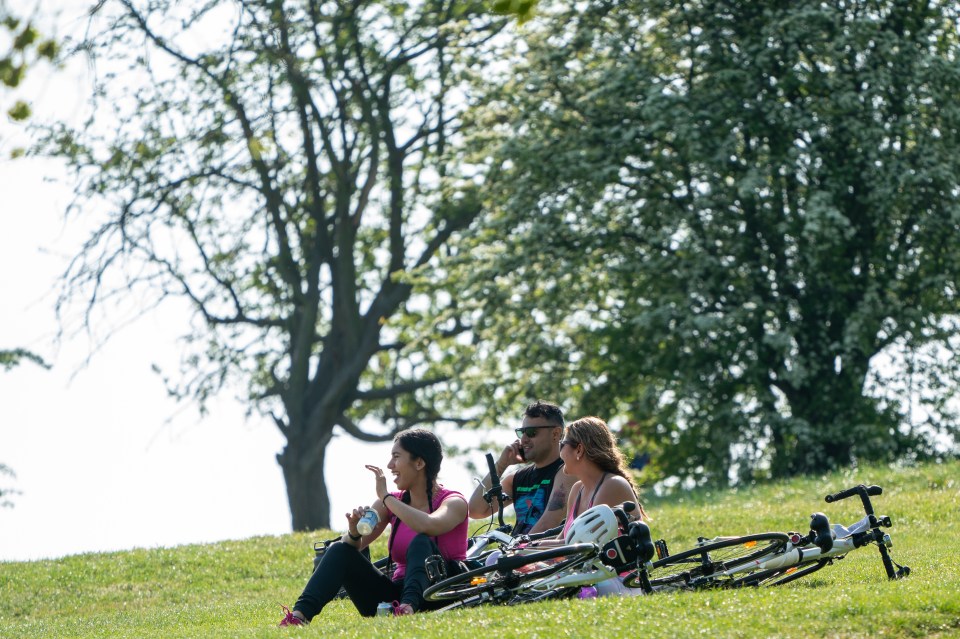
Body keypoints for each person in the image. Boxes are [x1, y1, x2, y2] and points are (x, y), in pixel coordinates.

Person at [278, 428, 469, 626]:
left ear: (419, 463)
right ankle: (298, 617)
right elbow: (352, 548)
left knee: (421, 540)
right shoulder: (392, 503)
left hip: (440, 592)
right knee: (339, 549)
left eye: (396, 457)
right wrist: (353, 532)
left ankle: (407, 609)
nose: (390, 465)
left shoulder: (454, 502)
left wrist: (385, 497)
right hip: (395, 597)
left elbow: (429, 525)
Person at [534, 416, 649, 596]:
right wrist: (525, 548)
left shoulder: (612, 485)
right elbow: (563, 540)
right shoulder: (577, 489)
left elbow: (585, 546)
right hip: (591, 574)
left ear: (579, 449)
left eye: (562, 444)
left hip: (619, 581)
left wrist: (533, 552)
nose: (560, 452)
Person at [467, 400, 577, 535]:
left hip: (544, 553)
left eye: (531, 432)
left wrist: (514, 550)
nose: (523, 439)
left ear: (555, 433)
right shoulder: (516, 479)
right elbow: (475, 510)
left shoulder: (569, 471)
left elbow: (548, 523)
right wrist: (502, 464)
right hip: (518, 552)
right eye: (521, 432)